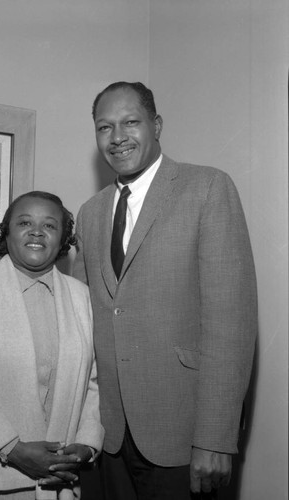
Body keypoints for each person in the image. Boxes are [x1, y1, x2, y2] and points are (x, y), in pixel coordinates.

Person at [73, 82, 257, 500]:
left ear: (156, 125)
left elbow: (232, 324)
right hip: (112, 437)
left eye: (130, 122)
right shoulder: (91, 213)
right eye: (105, 127)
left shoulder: (207, 188)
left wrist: (215, 438)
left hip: (184, 435)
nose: (117, 137)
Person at [0, 191, 104, 500]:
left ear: (63, 238)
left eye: (50, 225)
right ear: (6, 233)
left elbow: (94, 382)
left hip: (59, 482)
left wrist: (86, 444)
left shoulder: (81, 297)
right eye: (24, 222)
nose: (37, 231)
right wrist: (12, 449)